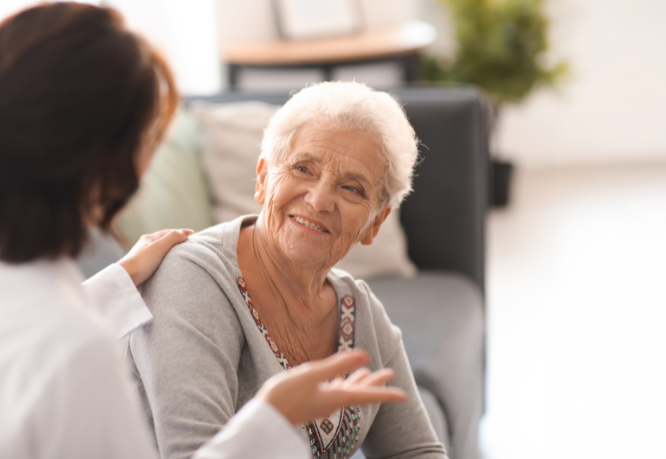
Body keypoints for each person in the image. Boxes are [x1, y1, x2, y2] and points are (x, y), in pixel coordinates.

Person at [0, 4, 407, 459]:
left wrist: (116, 284)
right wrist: (269, 418)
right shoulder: (81, 349)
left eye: (351, 188)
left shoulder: (45, 308)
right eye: (149, 137)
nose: (319, 199)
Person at [128, 81, 449, 459]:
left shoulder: (359, 310)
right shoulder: (192, 278)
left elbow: (418, 451)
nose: (319, 199)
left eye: (352, 188)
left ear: (375, 224)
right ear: (263, 179)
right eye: (303, 168)